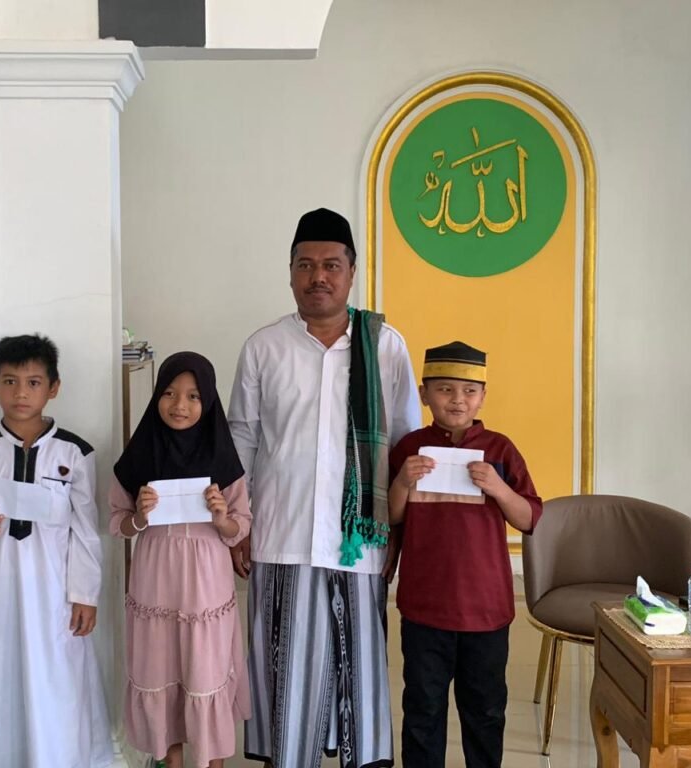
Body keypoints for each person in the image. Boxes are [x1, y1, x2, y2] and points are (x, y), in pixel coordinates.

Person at [227, 208, 421, 768]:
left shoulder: (385, 346)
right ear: (290, 273)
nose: (318, 276)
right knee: (284, 667)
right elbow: (242, 438)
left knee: (359, 667)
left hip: (359, 540)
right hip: (281, 533)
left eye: (331, 265)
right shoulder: (264, 346)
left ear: (352, 271)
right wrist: (239, 523)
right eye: (305, 265)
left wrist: (399, 531)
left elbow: (404, 444)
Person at [0, 334, 111, 768]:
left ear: (53, 388)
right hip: (1, 590)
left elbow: (85, 528)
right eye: (10, 381)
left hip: (56, 593)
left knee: (60, 680)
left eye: (34, 382)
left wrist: (85, 594)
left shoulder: (75, 452)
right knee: (1, 679)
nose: (21, 393)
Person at [389, 341, 542, 768]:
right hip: (424, 609)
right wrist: (402, 482)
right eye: (445, 389)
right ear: (424, 394)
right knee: (422, 709)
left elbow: (529, 518)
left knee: (486, 710)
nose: (458, 400)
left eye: (469, 391)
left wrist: (498, 488)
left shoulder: (500, 449)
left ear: (483, 396)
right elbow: (391, 517)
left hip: (486, 610)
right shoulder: (410, 448)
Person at [110, 351, 251, 768]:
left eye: (193, 396)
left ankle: (211, 762)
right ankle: (170, 761)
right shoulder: (139, 457)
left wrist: (222, 518)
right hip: (155, 582)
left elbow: (241, 526)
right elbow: (117, 523)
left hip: (206, 587)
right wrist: (139, 517)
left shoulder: (224, 459)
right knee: (161, 671)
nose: (179, 405)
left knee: (205, 674)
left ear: (208, 401)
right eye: (169, 393)